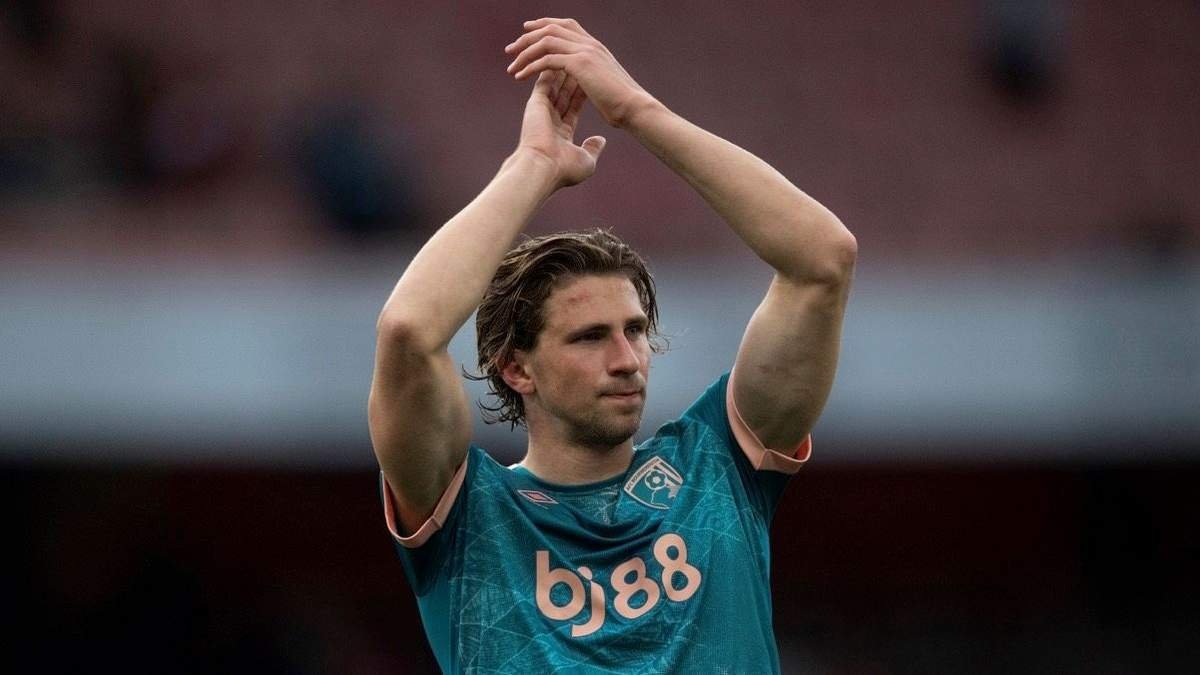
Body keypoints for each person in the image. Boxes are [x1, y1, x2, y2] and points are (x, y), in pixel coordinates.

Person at [369, 17, 856, 674]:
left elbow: (823, 259)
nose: (627, 360)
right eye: (590, 337)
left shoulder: (718, 465)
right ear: (516, 368)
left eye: (634, 331)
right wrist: (533, 165)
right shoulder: (469, 514)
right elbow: (408, 331)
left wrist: (635, 110)